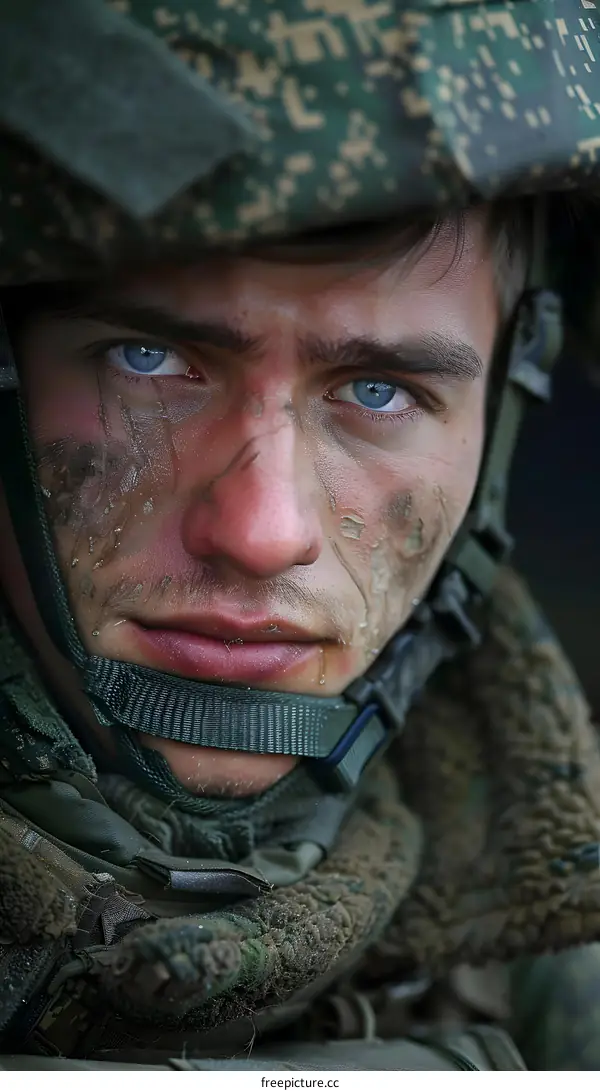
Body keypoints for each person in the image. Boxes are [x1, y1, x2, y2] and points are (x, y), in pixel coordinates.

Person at [0, 0, 599, 1071]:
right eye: (146, 360)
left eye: (379, 388)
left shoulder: (562, 963)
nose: (263, 533)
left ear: (502, 418)